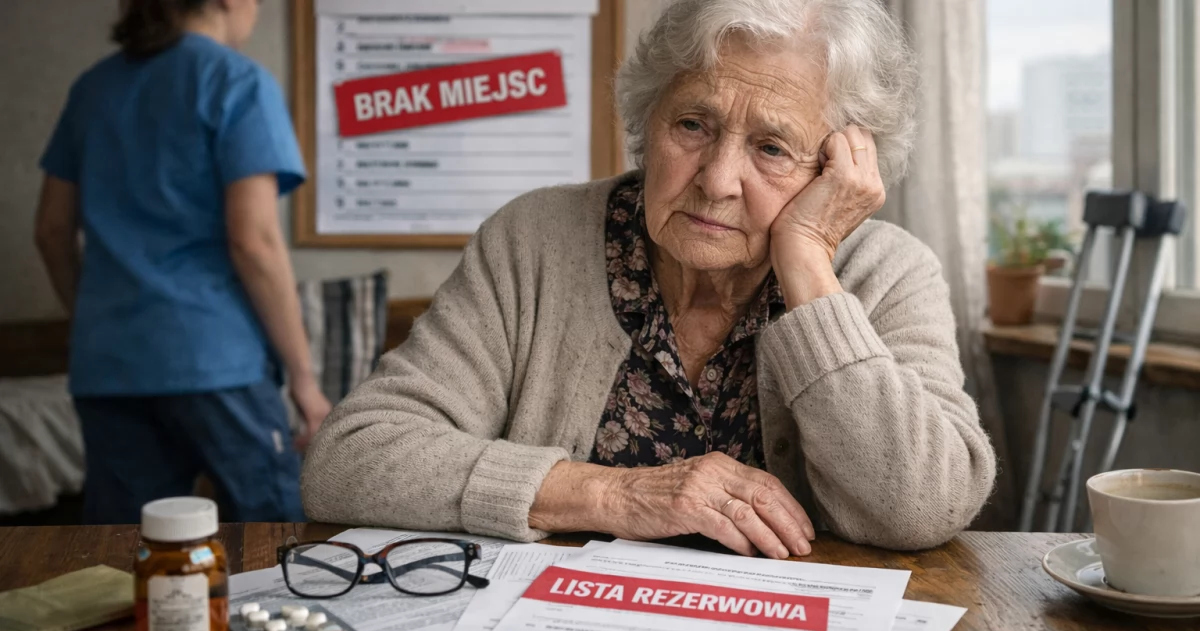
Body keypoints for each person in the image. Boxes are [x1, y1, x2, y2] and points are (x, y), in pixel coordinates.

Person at [301, 0, 997, 555]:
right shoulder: (533, 241)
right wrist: (612, 495)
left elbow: (923, 507)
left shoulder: (886, 272)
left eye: (771, 147)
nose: (718, 180)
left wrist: (811, 265)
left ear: (839, 168)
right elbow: (350, 460)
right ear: (647, 117)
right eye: (693, 125)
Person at [34, 0, 331, 524]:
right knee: (271, 535)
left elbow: (52, 231)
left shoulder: (93, 88)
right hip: (215, 358)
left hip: (110, 363)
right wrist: (305, 379)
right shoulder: (236, 81)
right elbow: (254, 242)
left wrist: (93, 319)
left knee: (123, 546)